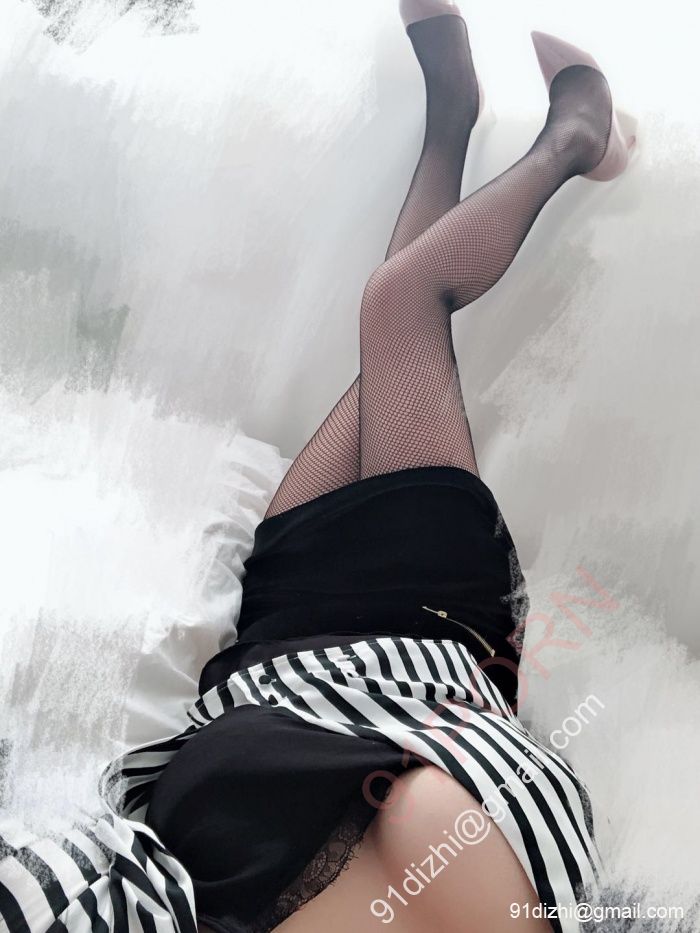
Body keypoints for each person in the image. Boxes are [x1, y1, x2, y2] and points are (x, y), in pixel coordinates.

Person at [0, 2, 634, 932]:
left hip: (276, 637)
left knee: (390, 339)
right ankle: (574, 139)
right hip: (423, 640)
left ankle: (453, 119)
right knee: (401, 306)